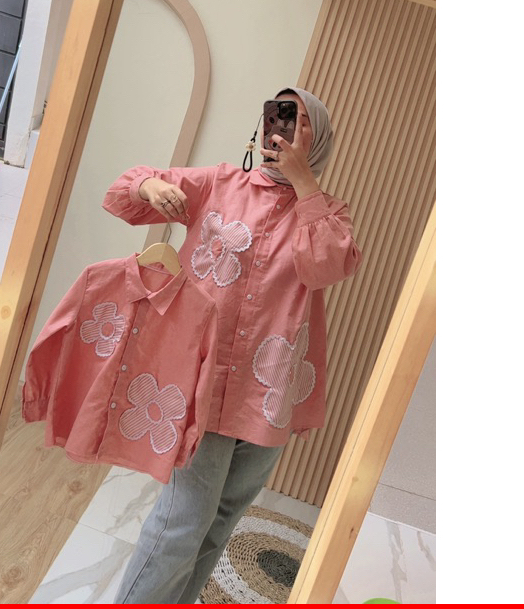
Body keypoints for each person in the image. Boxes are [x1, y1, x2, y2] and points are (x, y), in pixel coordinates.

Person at [102, 86, 363, 604]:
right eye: (276, 115)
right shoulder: (220, 184)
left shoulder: (329, 213)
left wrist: (304, 183)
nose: (282, 127)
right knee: (181, 523)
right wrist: (151, 185)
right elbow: (120, 194)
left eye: (298, 120)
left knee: (220, 524)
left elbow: (326, 267)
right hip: (204, 381)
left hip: (269, 395)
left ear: (319, 137)